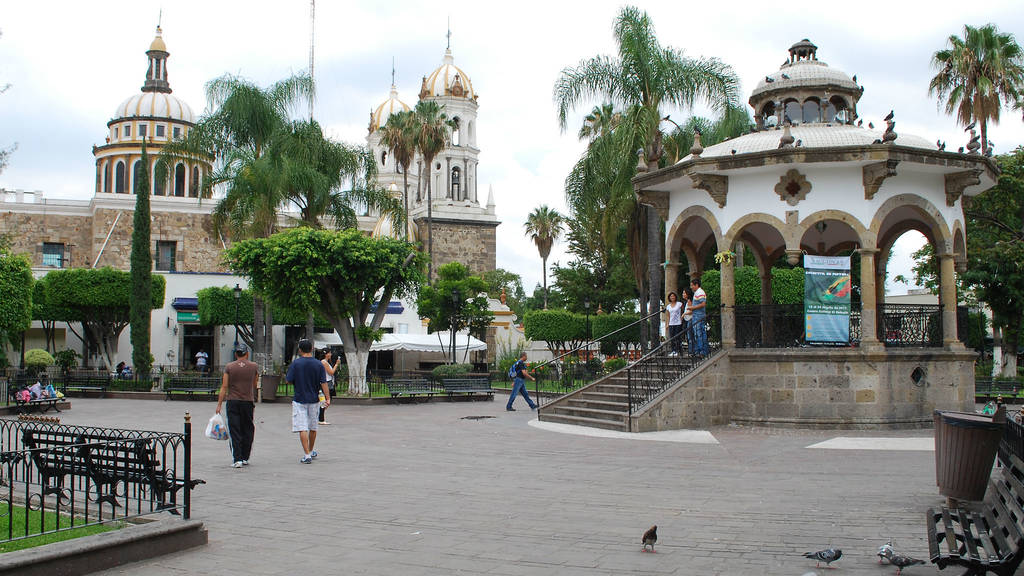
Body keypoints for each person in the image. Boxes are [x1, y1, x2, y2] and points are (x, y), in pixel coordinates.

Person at [286, 339, 329, 464]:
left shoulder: (296, 364)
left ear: (300, 350)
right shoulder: (318, 364)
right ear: (311, 349)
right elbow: (324, 382)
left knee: (302, 427)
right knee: (313, 426)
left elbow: (288, 380)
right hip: (314, 399)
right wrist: (328, 398)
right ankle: (310, 450)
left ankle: (306, 454)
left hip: (299, 399)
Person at [216, 344, 259, 468]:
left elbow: (224, 386)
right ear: (247, 354)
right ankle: (245, 456)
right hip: (247, 401)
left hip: (233, 401)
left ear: (236, 354)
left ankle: (237, 458)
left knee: (235, 429)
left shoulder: (229, 367)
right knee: (248, 429)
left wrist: (219, 404)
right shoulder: (254, 366)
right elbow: (255, 384)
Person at [319, 349, 340, 425]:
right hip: (326, 383)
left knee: (326, 401)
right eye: (329, 353)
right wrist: (336, 364)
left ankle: (320, 417)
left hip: (329, 382)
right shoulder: (324, 362)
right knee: (325, 401)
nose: (331, 354)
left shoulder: (326, 362)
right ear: (326, 354)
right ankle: (320, 418)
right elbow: (331, 372)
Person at [689, 278, 709, 356]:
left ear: (696, 285)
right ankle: (700, 350)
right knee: (699, 333)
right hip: (697, 316)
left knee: (699, 333)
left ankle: (702, 351)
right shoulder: (697, 292)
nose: (691, 287)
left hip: (699, 316)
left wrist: (692, 308)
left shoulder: (699, 292)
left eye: (692, 285)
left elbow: (703, 304)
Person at [665, 292, 684, 356]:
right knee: (672, 338)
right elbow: (668, 316)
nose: (672, 297)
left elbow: (683, 311)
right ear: (669, 298)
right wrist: (667, 324)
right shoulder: (668, 306)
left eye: (673, 296)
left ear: (675, 297)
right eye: (671, 296)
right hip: (671, 323)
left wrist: (681, 318)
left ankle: (679, 350)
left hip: (678, 323)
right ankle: (673, 351)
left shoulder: (679, 304)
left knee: (677, 337)